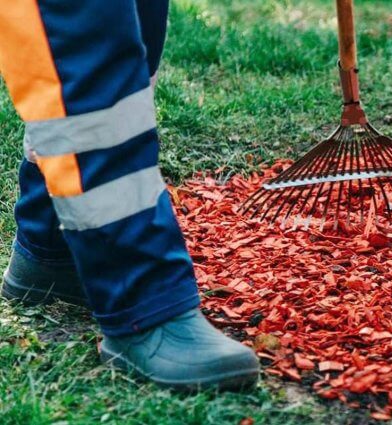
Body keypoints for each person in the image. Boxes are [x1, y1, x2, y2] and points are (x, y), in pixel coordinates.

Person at [0, 0, 259, 389]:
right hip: (140, 291)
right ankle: (141, 297)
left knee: (135, 27)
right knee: (81, 34)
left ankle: (53, 244)